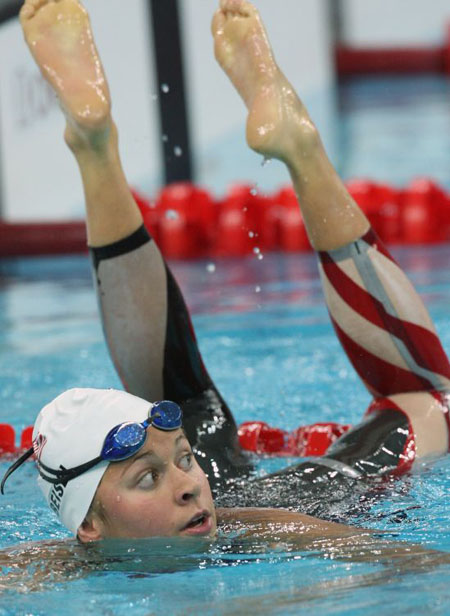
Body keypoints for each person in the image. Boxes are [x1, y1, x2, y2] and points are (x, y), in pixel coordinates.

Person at [2, 0, 449, 549]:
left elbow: (414, 568)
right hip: (222, 505)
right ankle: (108, 150)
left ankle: (102, 150)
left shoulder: (283, 531)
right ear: (84, 529)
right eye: (153, 478)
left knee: (426, 397)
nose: (190, 487)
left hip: (316, 494)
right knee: (190, 404)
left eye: (183, 462)